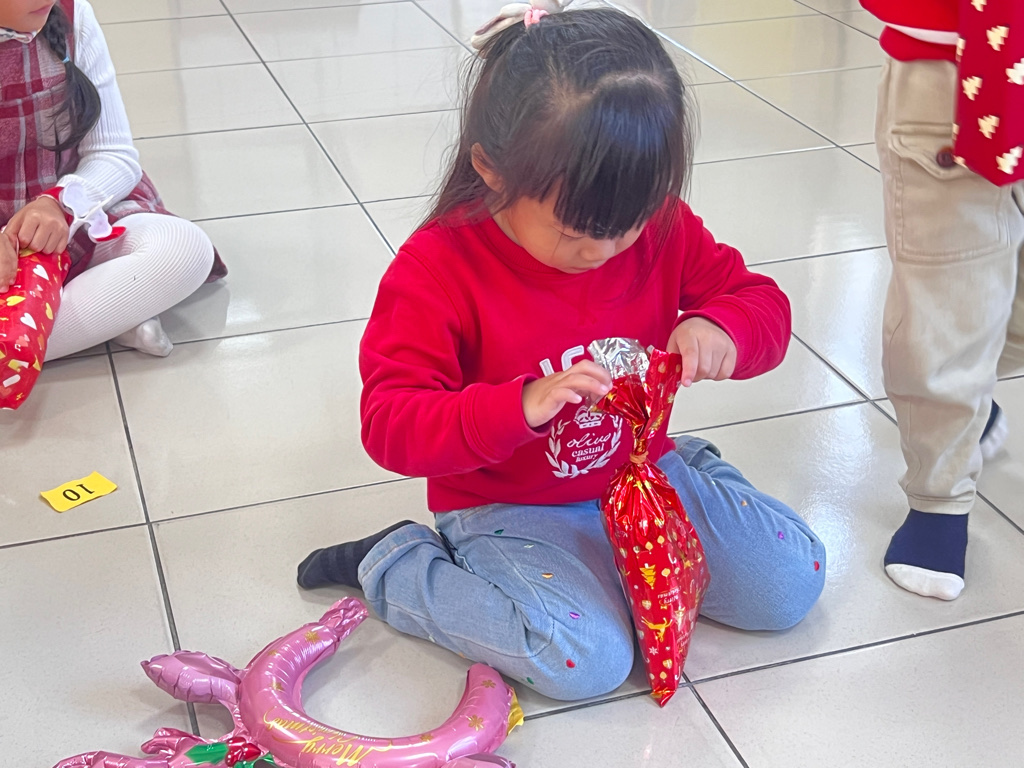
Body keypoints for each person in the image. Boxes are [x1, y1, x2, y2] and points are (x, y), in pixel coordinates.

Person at [297, 4, 826, 701]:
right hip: (509, 507)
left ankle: (695, 467)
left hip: (643, 471)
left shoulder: (659, 226)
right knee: (586, 660)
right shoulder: (437, 269)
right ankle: (397, 565)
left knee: (792, 584)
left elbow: (761, 303)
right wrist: (518, 406)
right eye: (577, 231)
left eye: (627, 225)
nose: (604, 249)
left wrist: (723, 328)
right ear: (492, 169)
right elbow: (390, 423)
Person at [863, 0, 1024, 600]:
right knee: (949, 299)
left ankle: (970, 404)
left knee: (1002, 311)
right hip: (955, 63)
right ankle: (940, 497)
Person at [0, 0, 225, 361]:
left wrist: (58, 203)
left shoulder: (73, 15)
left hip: (71, 221)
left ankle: (20, 343)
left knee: (184, 249)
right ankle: (102, 317)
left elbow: (114, 155)